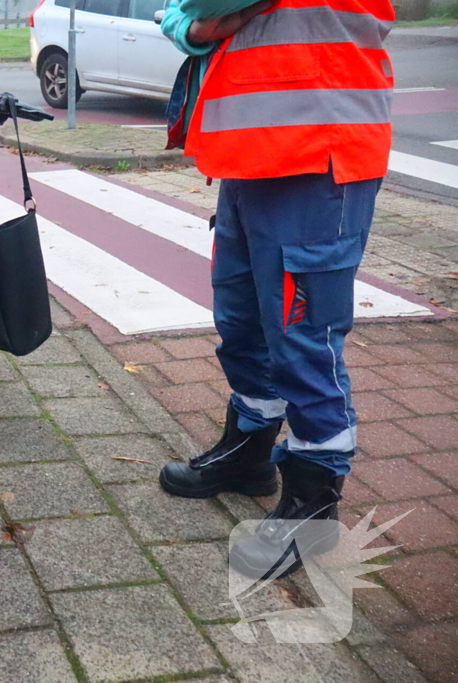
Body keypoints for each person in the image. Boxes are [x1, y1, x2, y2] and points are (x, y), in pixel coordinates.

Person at [156, 0, 394, 576]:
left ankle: (313, 512)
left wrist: (184, 19)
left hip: (316, 152)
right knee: (242, 323)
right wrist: (187, 22)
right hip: (253, 154)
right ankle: (249, 453)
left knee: (303, 339)